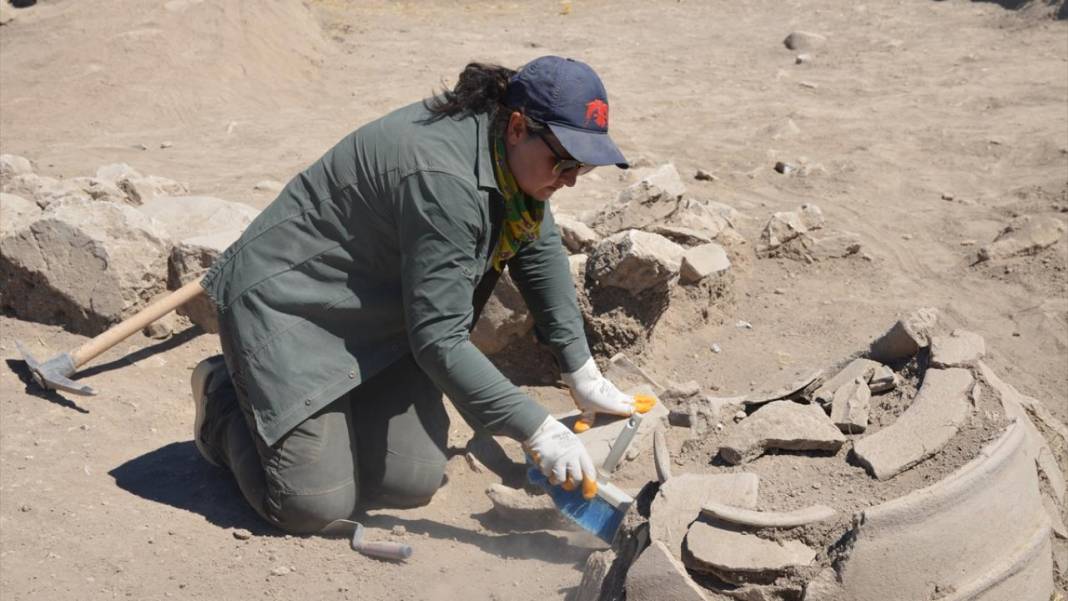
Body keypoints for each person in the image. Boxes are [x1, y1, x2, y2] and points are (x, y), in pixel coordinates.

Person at [191, 55, 650, 534]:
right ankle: (225, 396)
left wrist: (580, 369)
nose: (572, 177)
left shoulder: (506, 157)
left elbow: (536, 246)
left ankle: (321, 409)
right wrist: (538, 430)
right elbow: (439, 341)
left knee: (410, 478)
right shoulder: (444, 177)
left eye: (584, 166)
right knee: (312, 504)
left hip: (372, 315)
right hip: (291, 307)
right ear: (518, 127)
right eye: (565, 161)